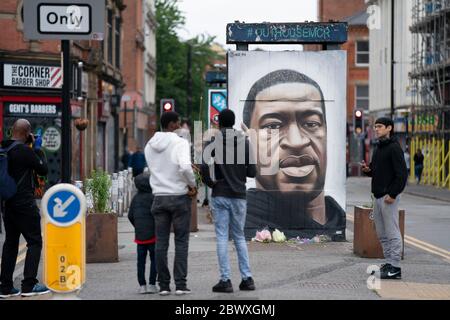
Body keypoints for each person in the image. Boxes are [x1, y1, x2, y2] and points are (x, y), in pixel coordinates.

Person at [242, 69, 346, 240]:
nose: (296, 142)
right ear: (248, 137)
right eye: (273, 126)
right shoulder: (245, 223)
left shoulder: (338, 221)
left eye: (311, 123)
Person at [200, 109, 257, 293]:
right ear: (233, 123)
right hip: (239, 195)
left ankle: (225, 280)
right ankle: (247, 279)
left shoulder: (214, 141)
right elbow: (252, 172)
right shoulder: (244, 142)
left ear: (219, 123)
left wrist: (211, 183)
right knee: (239, 236)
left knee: (222, 237)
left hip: (220, 194)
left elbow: (203, 166)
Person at [144, 111, 197, 296]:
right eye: (178, 123)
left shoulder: (149, 145)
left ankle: (164, 285)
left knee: (161, 243)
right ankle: (181, 285)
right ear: (173, 125)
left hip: (159, 197)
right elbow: (184, 166)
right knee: (181, 241)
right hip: (179, 197)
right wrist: (192, 183)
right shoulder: (180, 142)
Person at [0, 119, 51, 298]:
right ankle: (29, 285)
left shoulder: (4, 149)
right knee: (35, 241)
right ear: (27, 132)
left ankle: (5, 287)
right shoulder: (25, 151)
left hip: (7, 205)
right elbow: (43, 169)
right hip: (25, 204)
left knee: (11, 244)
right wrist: (37, 148)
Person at [361, 117, 407, 280]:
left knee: (392, 232)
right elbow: (375, 170)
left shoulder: (394, 148)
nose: (376, 129)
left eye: (380, 126)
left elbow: (402, 175)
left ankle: (395, 267)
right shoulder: (379, 148)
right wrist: (367, 170)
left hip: (389, 198)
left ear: (389, 128)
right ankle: (389, 262)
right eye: (375, 127)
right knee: (382, 232)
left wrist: (393, 194)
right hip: (378, 196)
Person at [128, 172, 158, 294]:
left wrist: (138, 227)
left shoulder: (135, 199)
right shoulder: (153, 197)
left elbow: (130, 215)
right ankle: (152, 284)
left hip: (140, 237)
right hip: (153, 236)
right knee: (154, 260)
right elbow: (158, 213)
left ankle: (142, 285)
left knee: (141, 261)